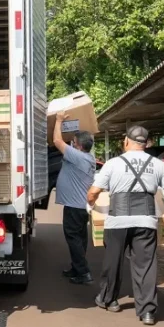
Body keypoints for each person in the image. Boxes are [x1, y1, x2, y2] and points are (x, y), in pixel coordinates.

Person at [87, 126, 164, 326]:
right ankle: (147, 312)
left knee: (113, 262)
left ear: (126, 142)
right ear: (146, 143)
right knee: (145, 266)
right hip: (146, 219)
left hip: (117, 220)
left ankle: (109, 300)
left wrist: (92, 206)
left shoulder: (112, 164)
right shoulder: (157, 164)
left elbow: (93, 192)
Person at [52, 112, 97, 285]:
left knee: (73, 239)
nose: (72, 143)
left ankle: (83, 272)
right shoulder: (88, 158)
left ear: (77, 145)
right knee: (80, 238)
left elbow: (56, 141)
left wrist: (59, 120)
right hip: (80, 206)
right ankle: (76, 267)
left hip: (74, 207)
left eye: (74, 142)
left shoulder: (77, 156)